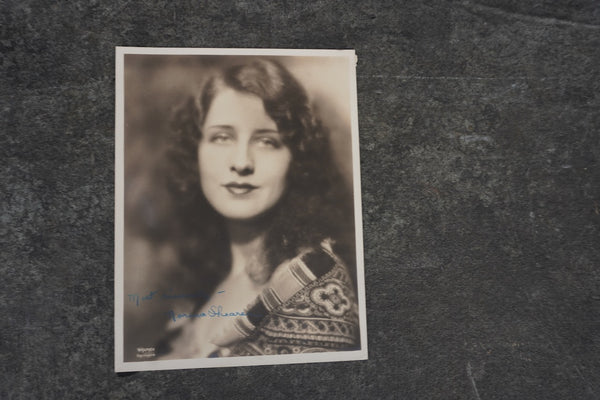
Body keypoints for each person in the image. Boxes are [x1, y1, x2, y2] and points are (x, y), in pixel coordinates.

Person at [158, 58, 359, 358]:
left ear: (297, 159)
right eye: (222, 137)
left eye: (267, 141)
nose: (241, 162)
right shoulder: (201, 287)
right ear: (195, 151)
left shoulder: (315, 289)